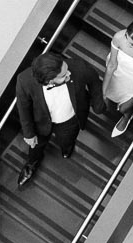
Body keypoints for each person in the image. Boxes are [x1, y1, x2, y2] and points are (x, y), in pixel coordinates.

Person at [15, 50, 105, 189]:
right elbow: (23, 108)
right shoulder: (24, 80)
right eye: (63, 75)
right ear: (49, 80)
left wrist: (98, 103)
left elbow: (93, 80)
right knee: (36, 147)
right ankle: (31, 164)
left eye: (66, 70)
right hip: (41, 122)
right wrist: (29, 133)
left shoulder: (77, 66)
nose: (69, 73)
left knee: (67, 140)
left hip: (70, 119)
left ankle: (66, 149)